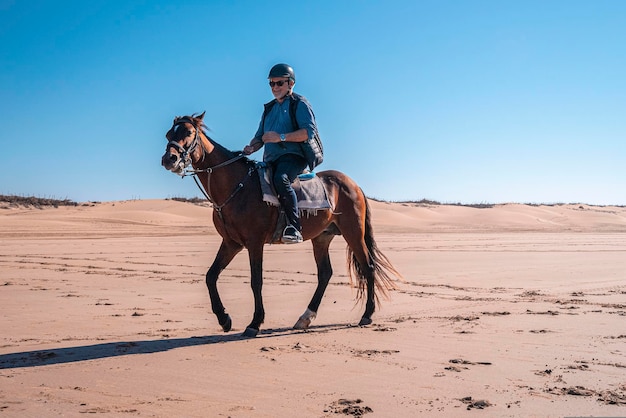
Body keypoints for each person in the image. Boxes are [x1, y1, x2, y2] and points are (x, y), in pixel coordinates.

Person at [243, 63, 319, 244]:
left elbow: (309, 132)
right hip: (270, 159)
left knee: (281, 178)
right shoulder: (268, 109)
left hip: (294, 157)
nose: (275, 87)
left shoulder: (299, 104)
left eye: (279, 83)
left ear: (290, 84)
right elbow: (259, 137)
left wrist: (280, 137)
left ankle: (295, 227)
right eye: (271, 83)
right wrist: (251, 148)